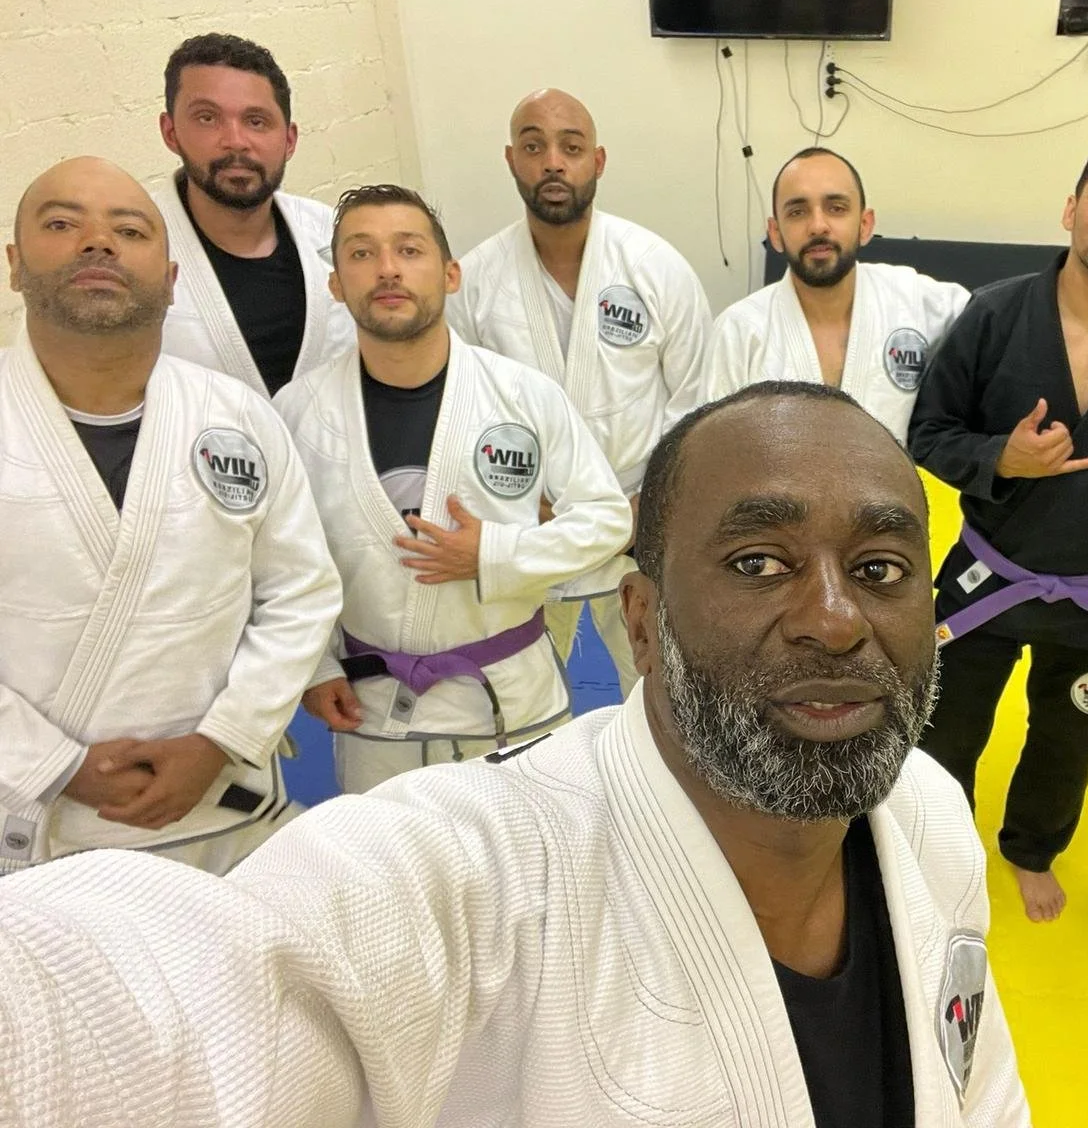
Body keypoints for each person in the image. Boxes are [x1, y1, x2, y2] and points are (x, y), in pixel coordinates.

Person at [0, 382, 1029, 1127]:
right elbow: (179, 993)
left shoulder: (927, 814)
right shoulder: (471, 878)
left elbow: (978, 1094)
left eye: (881, 566)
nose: (836, 620)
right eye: (758, 562)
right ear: (640, 619)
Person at [0, 156, 341, 875]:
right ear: (15, 265)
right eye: (62, 224)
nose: (98, 243)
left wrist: (220, 739)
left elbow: (301, 592)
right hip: (38, 827)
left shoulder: (237, 415)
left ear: (171, 278)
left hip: (224, 810)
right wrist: (51, 764)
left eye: (129, 229)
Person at [909, 132, 1088, 921]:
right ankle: (937, 851)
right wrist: (1001, 458)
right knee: (946, 731)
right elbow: (929, 431)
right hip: (986, 575)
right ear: (1072, 207)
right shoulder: (995, 315)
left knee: (1067, 741)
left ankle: (1031, 849)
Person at [275, 185, 632, 793]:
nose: (387, 268)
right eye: (362, 254)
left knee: (531, 876)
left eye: (408, 249)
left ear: (450, 273)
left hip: (513, 704)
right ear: (336, 284)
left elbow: (606, 519)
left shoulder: (524, 395)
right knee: (389, 884)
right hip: (374, 711)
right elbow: (281, 559)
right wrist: (316, 666)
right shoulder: (298, 412)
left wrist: (493, 555)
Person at [454, 89, 711, 695]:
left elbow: (698, 402)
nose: (552, 162)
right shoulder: (477, 280)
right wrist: (520, 504)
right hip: (529, 520)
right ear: (511, 159)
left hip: (641, 517)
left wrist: (649, 506)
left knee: (661, 695)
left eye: (570, 147)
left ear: (597, 161)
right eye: (534, 145)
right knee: (520, 701)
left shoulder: (655, 266)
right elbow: (461, 412)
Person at [704, 147, 969, 442]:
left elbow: (1002, 329)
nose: (818, 225)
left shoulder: (918, 301)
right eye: (797, 212)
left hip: (895, 487)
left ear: (865, 225)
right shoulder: (739, 330)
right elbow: (714, 453)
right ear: (776, 233)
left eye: (836, 208)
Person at [151, 33, 353, 396]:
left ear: (289, 140)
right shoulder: (130, 251)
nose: (235, 141)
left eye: (256, 121)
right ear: (171, 132)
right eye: (207, 118)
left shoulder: (330, 233)